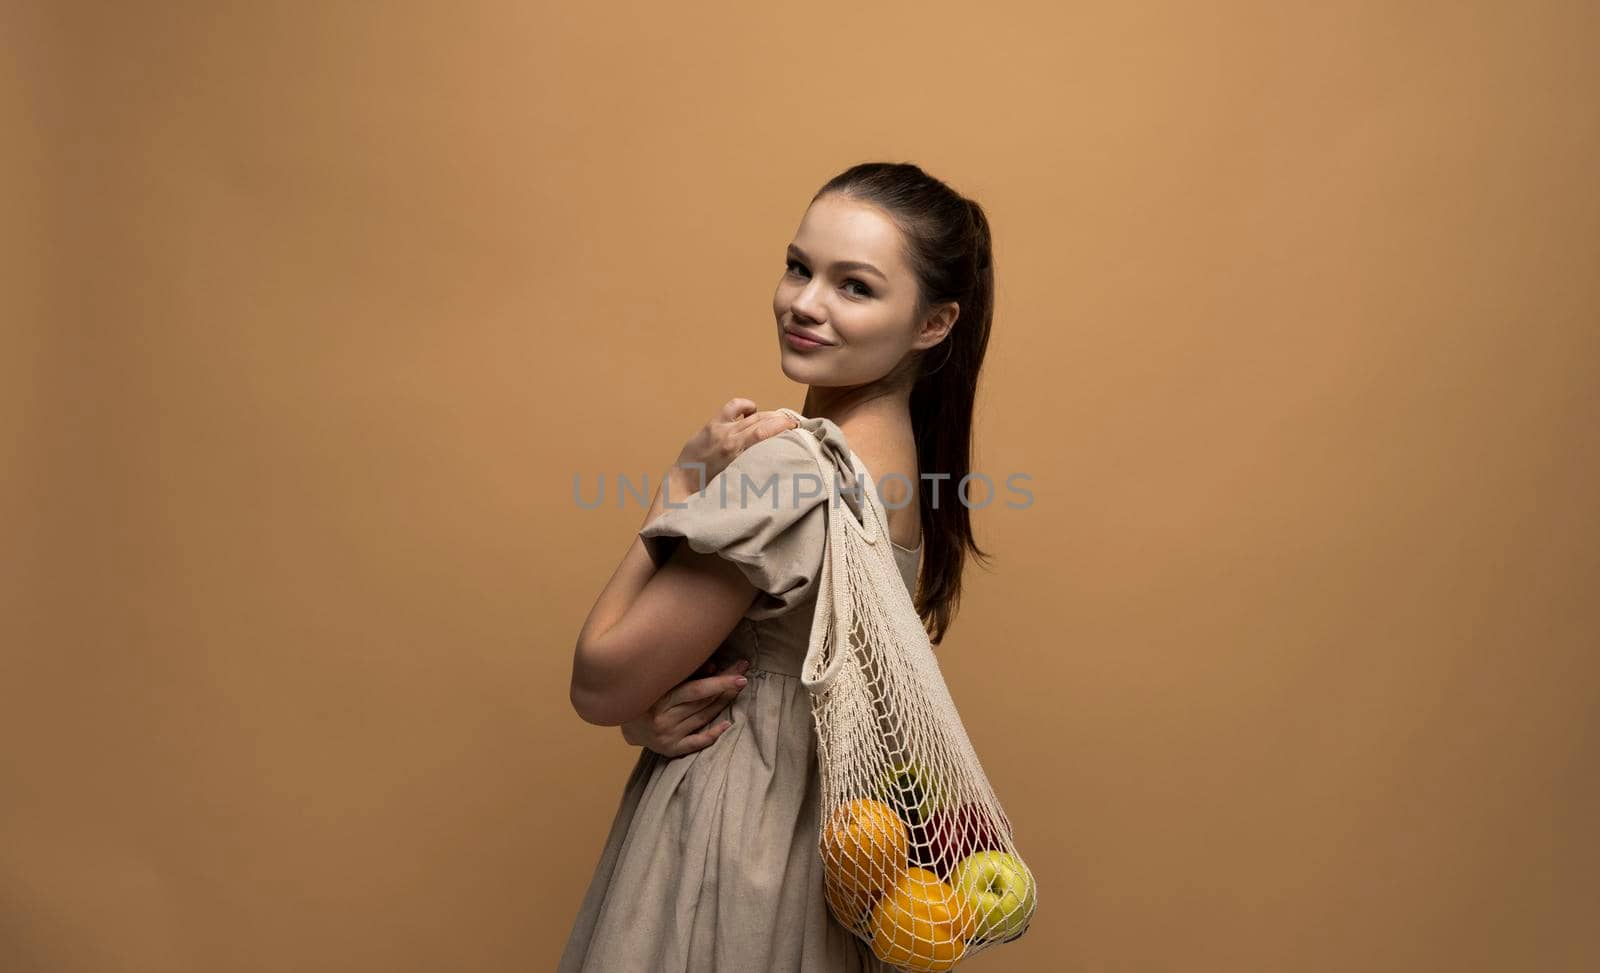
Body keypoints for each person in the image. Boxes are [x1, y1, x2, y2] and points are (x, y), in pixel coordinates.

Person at [561, 161, 995, 972]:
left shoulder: (793, 472)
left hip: (732, 844)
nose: (804, 301)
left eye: (854, 286)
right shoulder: (900, 466)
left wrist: (680, 489)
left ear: (933, 324)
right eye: (800, 266)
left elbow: (599, 679)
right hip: (828, 856)